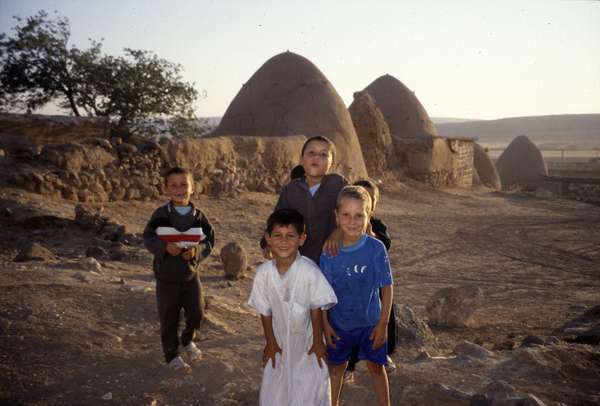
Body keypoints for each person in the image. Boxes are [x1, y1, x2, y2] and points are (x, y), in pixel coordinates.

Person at [248, 208, 337, 406]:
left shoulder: (309, 270)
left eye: (291, 236)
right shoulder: (264, 273)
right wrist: (270, 343)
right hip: (279, 341)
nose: (283, 242)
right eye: (278, 236)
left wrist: (317, 342)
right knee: (276, 388)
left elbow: (316, 307)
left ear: (302, 239)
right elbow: (264, 310)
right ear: (268, 238)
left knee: (310, 386)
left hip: (307, 342)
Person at [320, 186, 393, 406]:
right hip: (339, 323)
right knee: (337, 369)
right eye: (346, 215)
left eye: (359, 215)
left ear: (369, 216)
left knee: (376, 367)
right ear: (337, 216)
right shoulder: (329, 252)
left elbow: (387, 287)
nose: (352, 221)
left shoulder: (376, 249)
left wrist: (383, 324)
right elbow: (322, 295)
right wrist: (326, 325)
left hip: (370, 323)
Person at [143, 166, 215, 371]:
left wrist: (196, 253)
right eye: (174, 185)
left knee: (197, 313)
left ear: (192, 188)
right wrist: (164, 247)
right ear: (167, 189)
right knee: (169, 316)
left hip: (191, 276)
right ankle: (171, 355)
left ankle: (187, 340)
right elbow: (148, 238)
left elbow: (209, 241)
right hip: (166, 277)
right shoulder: (160, 215)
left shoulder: (199, 217)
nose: (179, 189)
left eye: (184, 184)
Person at [261, 135, 347, 263]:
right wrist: (267, 244)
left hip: (331, 256)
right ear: (301, 160)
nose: (316, 157)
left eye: (323, 155)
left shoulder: (338, 184)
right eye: (311, 152)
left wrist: (339, 231)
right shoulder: (291, 190)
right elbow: (278, 218)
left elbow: (353, 210)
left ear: (332, 163)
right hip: (299, 259)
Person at [344, 179, 396, 382]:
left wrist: (370, 233)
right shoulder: (346, 226)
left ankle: (384, 356)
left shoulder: (378, 226)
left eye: (369, 198)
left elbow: (385, 243)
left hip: (373, 289)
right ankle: (349, 364)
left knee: (384, 317)